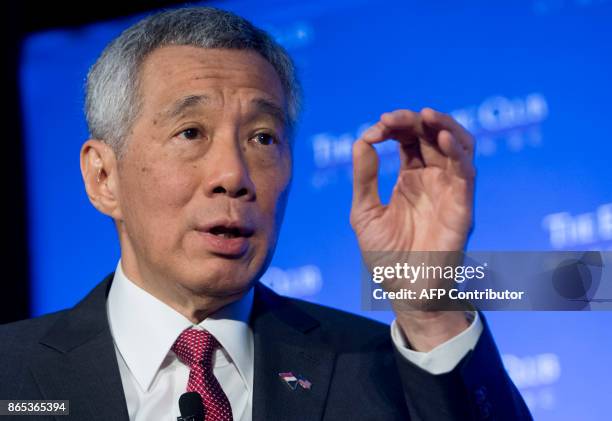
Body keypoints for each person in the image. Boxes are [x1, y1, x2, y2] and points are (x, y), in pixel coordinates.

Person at [0, 7, 531, 421]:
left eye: (262, 137)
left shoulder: (383, 370)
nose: (234, 174)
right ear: (103, 177)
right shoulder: (11, 375)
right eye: (191, 133)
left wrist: (431, 309)